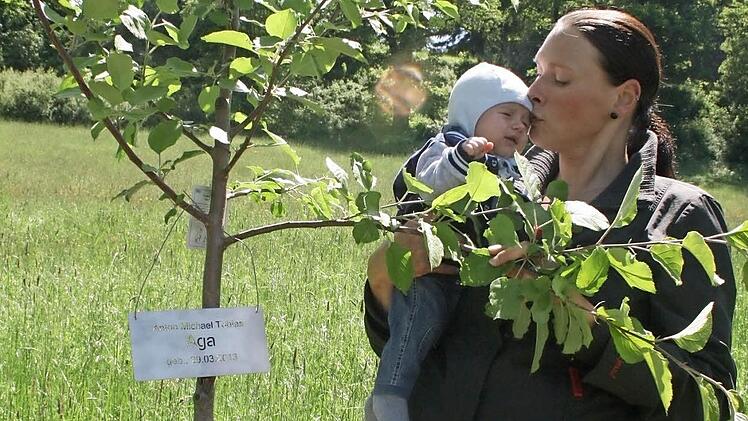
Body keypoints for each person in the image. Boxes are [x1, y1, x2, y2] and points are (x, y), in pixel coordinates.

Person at [363, 8, 737, 421]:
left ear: (623, 97)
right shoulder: (484, 191)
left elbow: (706, 400)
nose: (533, 92)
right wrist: (384, 282)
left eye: (559, 78)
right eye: (536, 73)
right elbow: (410, 347)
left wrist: (586, 326)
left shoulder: (679, 220)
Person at [371, 62, 532, 421]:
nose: (520, 125)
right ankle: (389, 394)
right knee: (416, 323)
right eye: (507, 114)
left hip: (472, 277)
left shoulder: (515, 169)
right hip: (428, 271)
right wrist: (463, 158)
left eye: (526, 120)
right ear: (472, 112)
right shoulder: (447, 146)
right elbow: (430, 181)